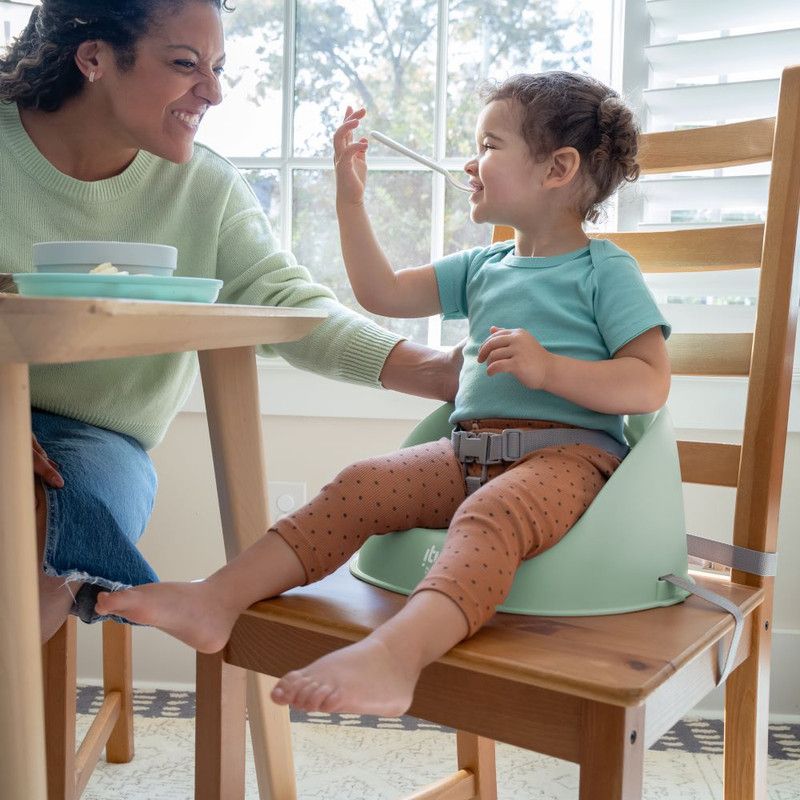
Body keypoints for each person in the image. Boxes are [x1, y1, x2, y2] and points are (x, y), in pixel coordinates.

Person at [96, 71, 672, 717]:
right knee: (359, 483)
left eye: (489, 143)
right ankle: (217, 599)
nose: (469, 161)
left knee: (487, 518)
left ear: (557, 168)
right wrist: (349, 200)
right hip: (469, 453)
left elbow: (649, 382)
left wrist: (551, 371)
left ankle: (397, 657)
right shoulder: (484, 267)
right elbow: (383, 294)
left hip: (568, 460)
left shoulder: (605, 270)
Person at [0, 0, 462, 644]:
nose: (212, 92)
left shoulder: (205, 189)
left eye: (217, 68)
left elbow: (284, 300)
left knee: (26, 521)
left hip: (92, 440)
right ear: (95, 57)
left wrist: (440, 372)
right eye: (186, 64)